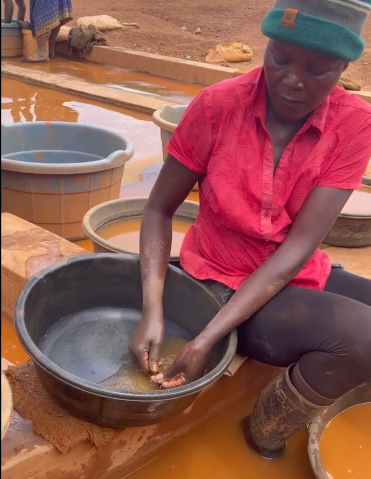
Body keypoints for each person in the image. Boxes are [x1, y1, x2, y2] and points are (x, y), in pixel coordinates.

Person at [129, 0, 371, 460]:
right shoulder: (218, 106)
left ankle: (317, 394)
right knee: (363, 338)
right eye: (279, 57)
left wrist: (203, 342)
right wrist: (153, 309)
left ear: (344, 66)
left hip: (290, 271)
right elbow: (159, 209)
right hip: (215, 280)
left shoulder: (354, 124)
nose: (292, 79)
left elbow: (299, 247)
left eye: (318, 69)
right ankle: (264, 431)